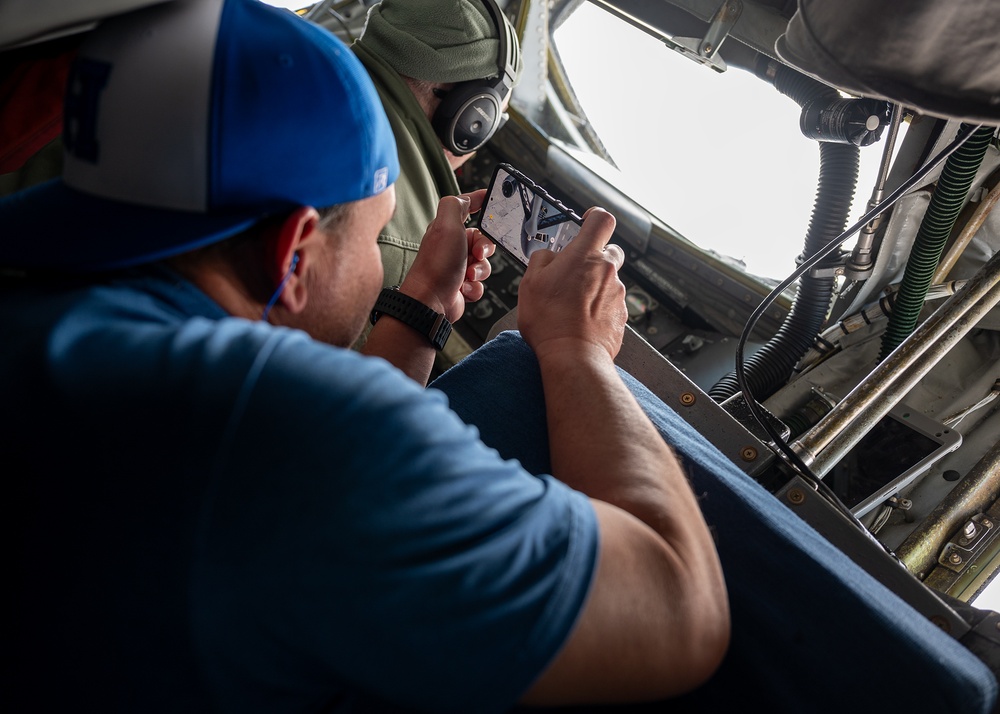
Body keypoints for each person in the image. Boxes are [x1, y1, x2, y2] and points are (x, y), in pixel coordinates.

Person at [0, 2, 995, 713]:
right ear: (293, 251)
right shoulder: (265, 418)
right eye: (371, 230)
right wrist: (575, 352)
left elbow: (306, 463)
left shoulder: (56, 306)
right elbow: (679, 617)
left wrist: (421, 305)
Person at [348, 0, 521, 363]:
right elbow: (355, 398)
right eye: (496, 120)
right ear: (474, 115)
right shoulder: (408, 234)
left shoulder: (307, 62)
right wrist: (429, 300)